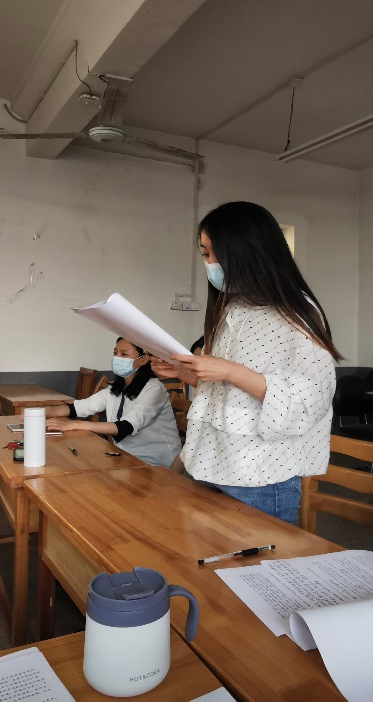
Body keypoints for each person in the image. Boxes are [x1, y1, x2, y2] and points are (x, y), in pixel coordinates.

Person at [152, 201, 340, 524]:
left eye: (215, 254)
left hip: (260, 476)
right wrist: (189, 373)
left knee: (254, 558)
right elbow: (229, 392)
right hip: (210, 462)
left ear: (248, 252)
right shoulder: (233, 308)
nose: (210, 264)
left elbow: (310, 401)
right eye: (205, 254)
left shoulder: (296, 313)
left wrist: (230, 370)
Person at [44, 337, 181, 468]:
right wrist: (40, 413)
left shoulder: (154, 389)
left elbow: (127, 426)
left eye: (124, 354)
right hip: (126, 456)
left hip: (157, 463)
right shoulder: (116, 387)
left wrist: (75, 424)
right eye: (115, 353)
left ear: (143, 360)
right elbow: (80, 407)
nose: (117, 358)